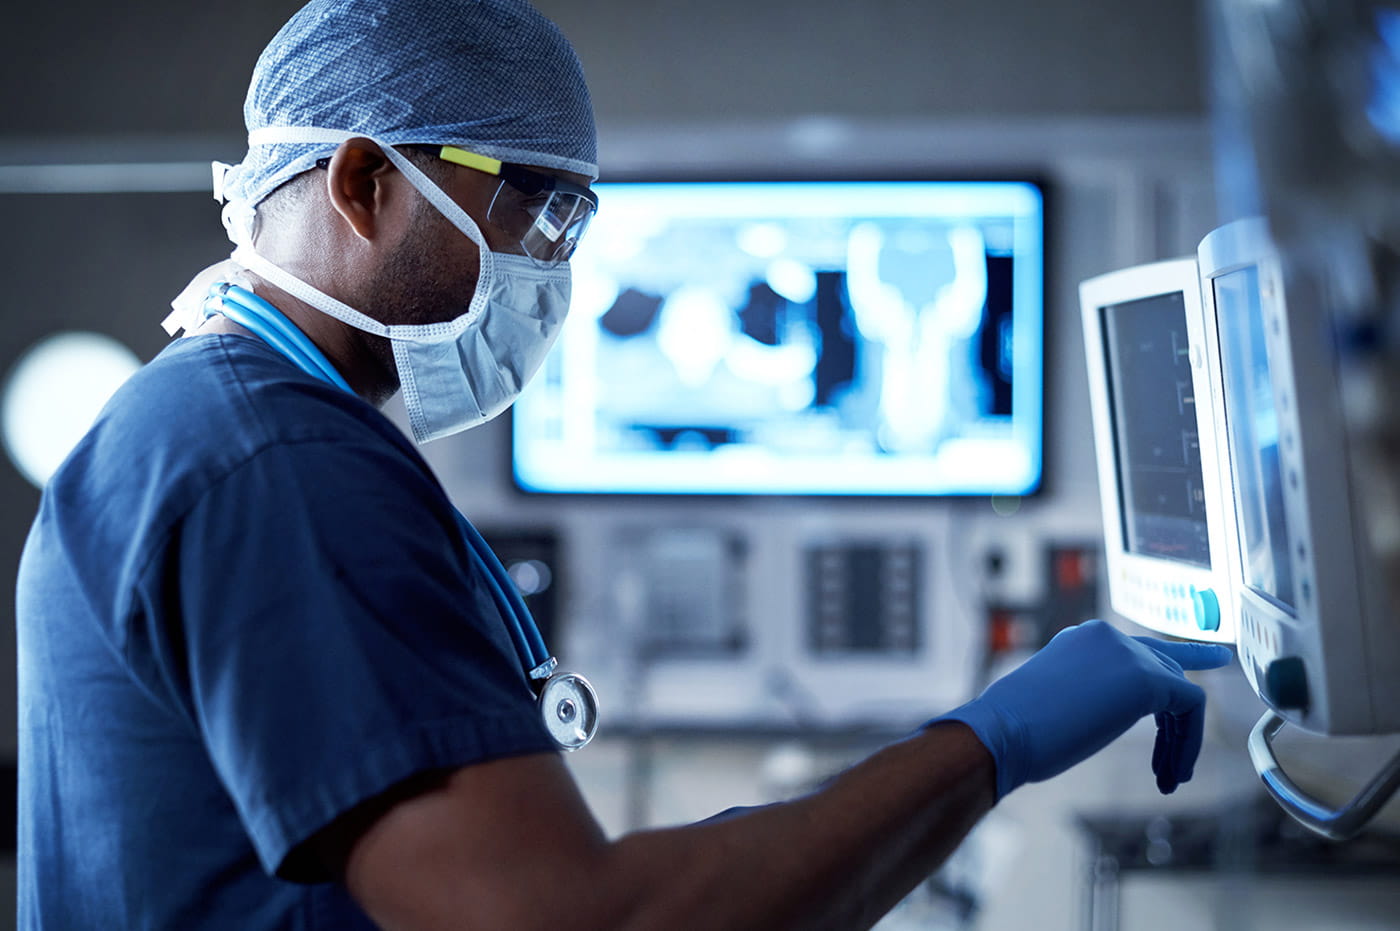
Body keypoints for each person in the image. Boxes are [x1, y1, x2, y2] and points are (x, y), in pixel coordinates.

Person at [14, 1, 1234, 928]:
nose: (557, 273)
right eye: (539, 213)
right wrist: (994, 742)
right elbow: (569, 919)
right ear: (364, 179)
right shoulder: (278, 462)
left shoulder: (196, 422)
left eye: (576, 226)